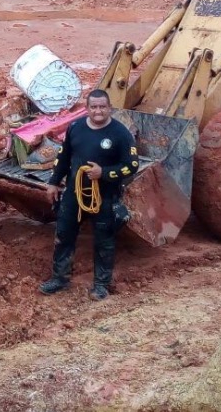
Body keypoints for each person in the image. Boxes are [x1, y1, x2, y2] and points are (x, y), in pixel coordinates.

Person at [39, 89, 140, 301]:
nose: (98, 111)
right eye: (94, 107)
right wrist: (53, 182)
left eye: (102, 107)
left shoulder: (121, 134)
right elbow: (63, 157)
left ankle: (101, 285)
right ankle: (60, 278)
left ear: (109, 108)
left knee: (104, 240)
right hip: (74, 194)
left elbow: (131, 166)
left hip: (104, 197)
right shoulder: (75, 128)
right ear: (87, 109)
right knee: (64, 234)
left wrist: (103, 173)